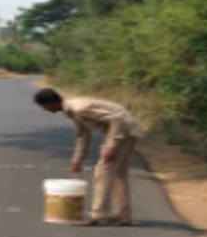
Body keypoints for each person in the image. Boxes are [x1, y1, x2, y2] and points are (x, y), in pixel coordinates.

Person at [33, 88, 142, 226]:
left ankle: (99, 215)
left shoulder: (79, 108)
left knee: (103, 172)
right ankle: (123, 216)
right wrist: (77, 162)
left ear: (49, 104)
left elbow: (116, 118)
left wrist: (111, 146)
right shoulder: (72, 111)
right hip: (124, 131)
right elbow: (83, 137)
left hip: (123, 131)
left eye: (43, 107)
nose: (45, 110)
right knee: (118, 174)